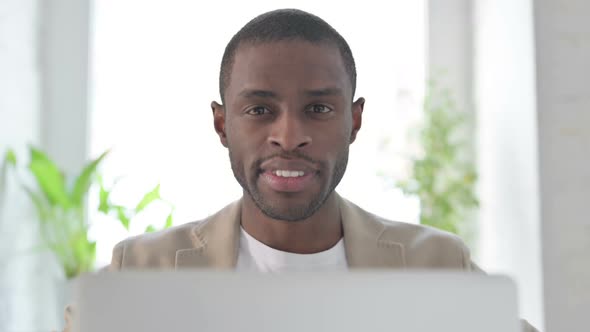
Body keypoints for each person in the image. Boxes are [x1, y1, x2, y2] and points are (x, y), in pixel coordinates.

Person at [64, 8, 538, 332]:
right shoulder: (143, 272)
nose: (289, 137)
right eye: (259, 111)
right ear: (222, 124)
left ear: (354, 121)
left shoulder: (438, 264)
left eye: (318, 108)